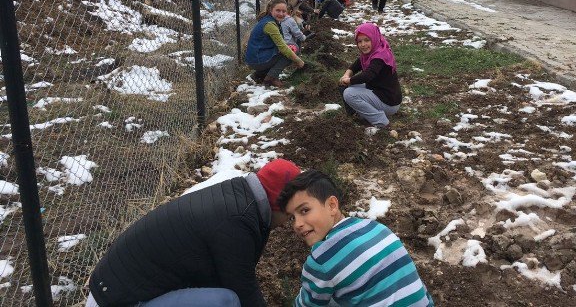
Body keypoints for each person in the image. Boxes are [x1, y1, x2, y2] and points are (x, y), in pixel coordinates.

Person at [86, 159, 302, 307]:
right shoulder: (237, 222)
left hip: (114, 288)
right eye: (291, 215)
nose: (289, 224)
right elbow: (243, 288)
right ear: (278, 204)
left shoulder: (237, 196)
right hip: (119, 301)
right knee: (227, 301)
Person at [278, 170, 434, 306]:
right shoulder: (376, 228)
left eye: (304, 210)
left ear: (332, 205)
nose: (297, 224)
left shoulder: (321, 260)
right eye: (292, 217)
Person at [339, 22, 401, 127]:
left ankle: (380, 121)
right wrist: (347, 74)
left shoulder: (379, 56)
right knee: (344, 86)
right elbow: (355, 65)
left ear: (374, 38)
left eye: (367, 40)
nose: (363, 44)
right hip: (378, 92)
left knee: (349, 93)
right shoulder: (369, 54)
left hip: (388, 101)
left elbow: (368, 75)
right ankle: (356, 115)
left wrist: (349, 80)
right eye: (359, 41)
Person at [245, 0, 304, 88]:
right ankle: (270, 78)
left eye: (284, 11)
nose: (281, 14)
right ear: (270, 10)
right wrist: (298, 60)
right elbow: (283, 47)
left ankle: (259, 75)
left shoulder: (269, 20)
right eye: (278, 10)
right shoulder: (270, 25)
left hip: (256, 58)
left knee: (289, 48)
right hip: (257, 60)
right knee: (292, 49)